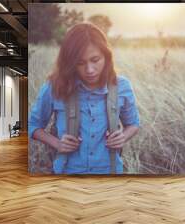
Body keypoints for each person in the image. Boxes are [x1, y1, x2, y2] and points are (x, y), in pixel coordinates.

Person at [29, 23, 140, 174]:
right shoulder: (54, 86)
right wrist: (57, 143)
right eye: (80, 63)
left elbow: (133, 124)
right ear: (70, 63)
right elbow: (32, 125)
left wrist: (123, 137)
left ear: (106, 56)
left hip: (110, 174)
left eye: (95, 60)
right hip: (66, 174)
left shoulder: (122, 86)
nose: (89, 70)